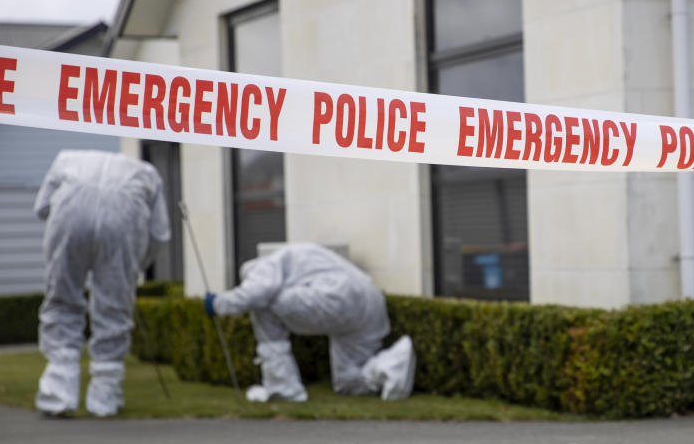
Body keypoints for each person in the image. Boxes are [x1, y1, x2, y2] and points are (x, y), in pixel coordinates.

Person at [34, 150, 171, 417]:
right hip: (124, 216)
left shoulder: (65, 159)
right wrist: (137, 265)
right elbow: (159, 233)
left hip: (70, 211)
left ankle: (58, 393)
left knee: (62, 298)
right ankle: (104, 397)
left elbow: (42, 207)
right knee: (114, 307)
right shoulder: (147, 173)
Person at [203, 243, 415, 403]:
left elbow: (256, 293)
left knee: (263, 306)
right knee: (349, 382)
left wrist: (218, 304)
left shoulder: (265, 266)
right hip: (369, 300)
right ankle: (393, 366)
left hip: (336, 296)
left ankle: (284, 387)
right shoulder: (299, 254)